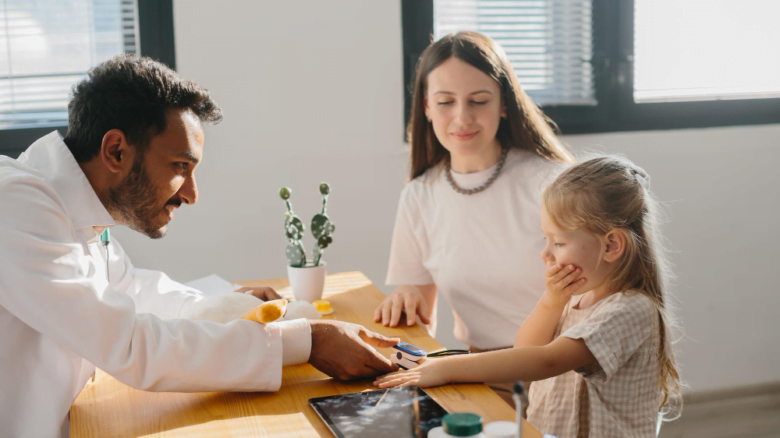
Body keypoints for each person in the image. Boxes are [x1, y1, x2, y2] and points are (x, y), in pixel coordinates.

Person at [0, 54, 398, 438]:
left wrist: (233, 301)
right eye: (180, 167)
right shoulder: (15, 203)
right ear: (116, 151)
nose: (191, 194)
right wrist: (308, 340)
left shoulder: (69, 208)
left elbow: (131, 289)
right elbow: (132, 345)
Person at [374, 156, 683, 437]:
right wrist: (551, 302)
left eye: (559, 243)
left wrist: (446, 367)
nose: (545, 253)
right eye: (545, 239)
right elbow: (527, 348)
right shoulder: (577, 297)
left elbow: (546, 361)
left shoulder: (631, 310)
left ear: (611, 245)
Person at [374, 31, 572, 403]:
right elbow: (423, 325)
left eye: (478, 100)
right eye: (446, 101)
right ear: (427, 107)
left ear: (503, 104)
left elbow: (602, 308)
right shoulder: (420, 195)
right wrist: (406, 296)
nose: (462, 118)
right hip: (479, 376)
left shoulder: (553, 184)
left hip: (562, 374)